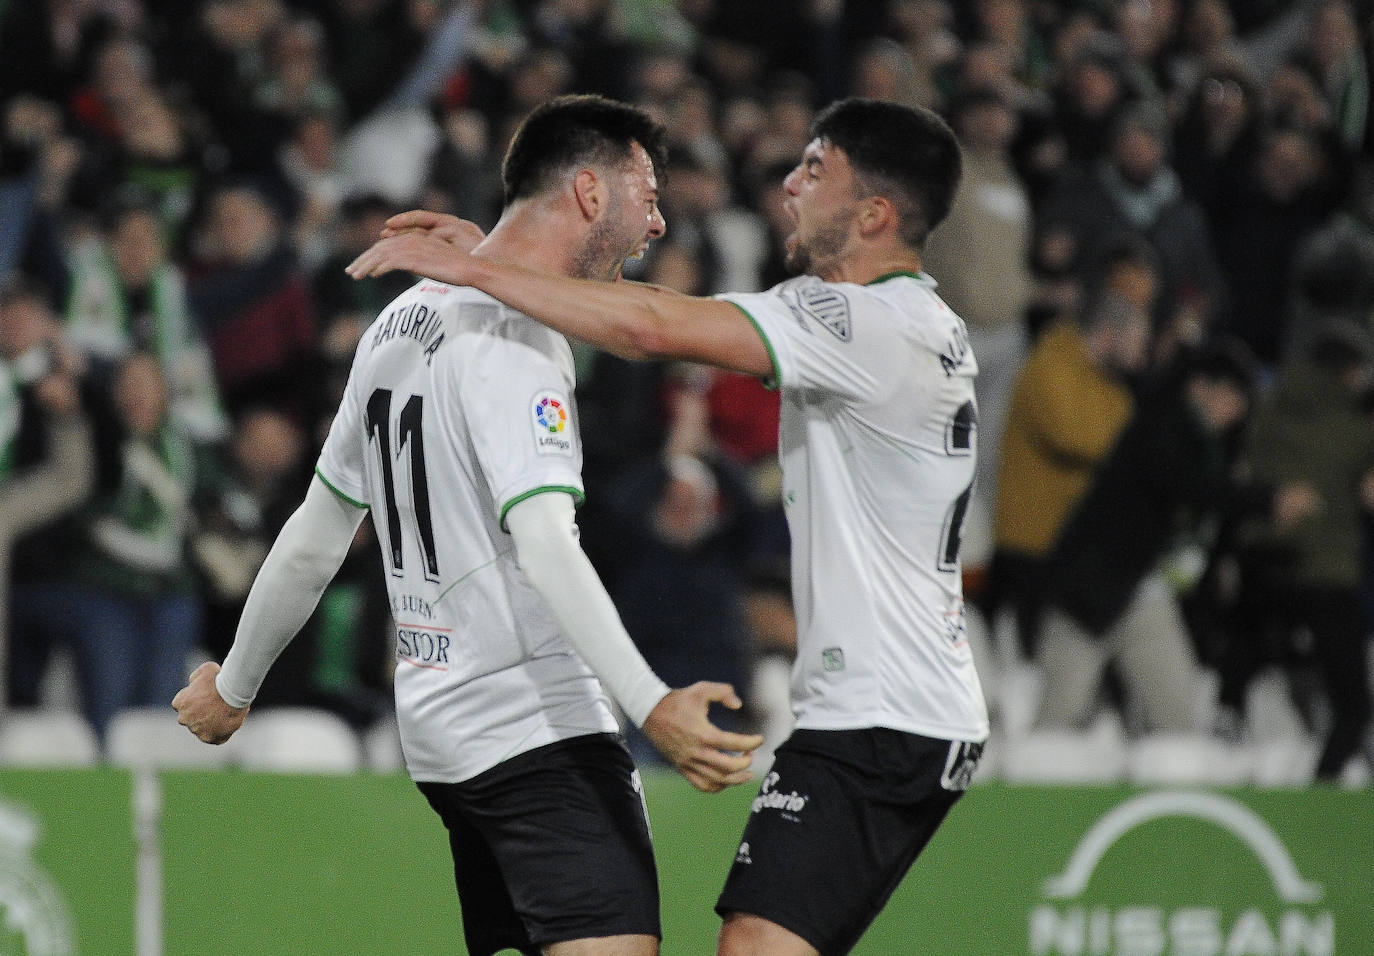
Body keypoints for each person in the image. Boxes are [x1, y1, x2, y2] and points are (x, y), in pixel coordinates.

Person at [347, 96, 990, 956]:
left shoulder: (863, 325)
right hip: (884, 708)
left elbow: (650, 326)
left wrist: (483, 271)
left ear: (873, 214)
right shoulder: (894, 321)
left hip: (885, 718)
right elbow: (637, 307)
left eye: (814, 171)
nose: (788, 186)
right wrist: (504, 252)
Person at [172, 94, 762, 956]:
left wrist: (236, 685)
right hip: (539, 729)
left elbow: (317, 528)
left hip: (446, 738)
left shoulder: (397, 324)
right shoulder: (519, 344)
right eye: (647, 193)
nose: (660, 221)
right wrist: (653, 703)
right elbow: (547, 543)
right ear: (590, 193)